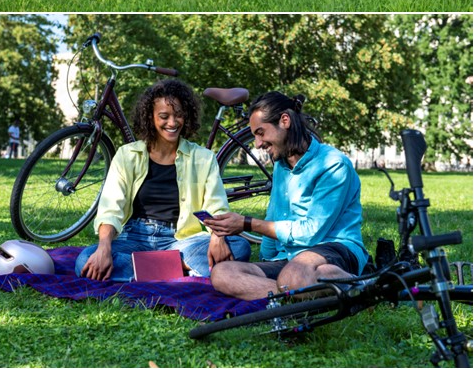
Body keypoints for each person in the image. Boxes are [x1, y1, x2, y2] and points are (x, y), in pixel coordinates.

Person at [75, 79, 253, 281]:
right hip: (134, 237)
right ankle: (179, 269)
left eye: (179, 115)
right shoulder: (127, 155)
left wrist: (217, 237)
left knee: (239, 247)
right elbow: (110, 209)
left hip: (182, 240)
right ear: (149, 117)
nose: (172, 122)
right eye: (164, 116)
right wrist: (104, 248)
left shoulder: (203, 157)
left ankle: (146, 269)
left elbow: (217, 206)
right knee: (85, 260)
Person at [205, 91, 364, 300]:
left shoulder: (333, 165)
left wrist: (247, 223)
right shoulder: (281, 165)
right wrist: (267, 258)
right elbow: (274, 213)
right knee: (222, 273)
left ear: (285, 120)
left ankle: (356, 284)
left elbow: (311, 232)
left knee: (293, 276)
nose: (257, 143)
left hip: (334, 248)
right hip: (291, 258)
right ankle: (300, 294)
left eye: (261, 132)